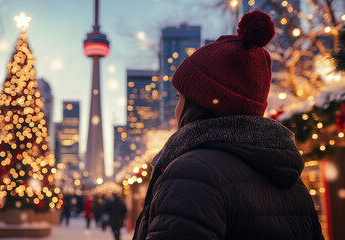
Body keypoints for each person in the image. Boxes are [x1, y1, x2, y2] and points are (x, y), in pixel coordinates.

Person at [133, 10, 324, 240]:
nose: (176, 109)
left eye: (179, 98)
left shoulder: (192, 172)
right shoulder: (294, 184)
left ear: (199, 104)